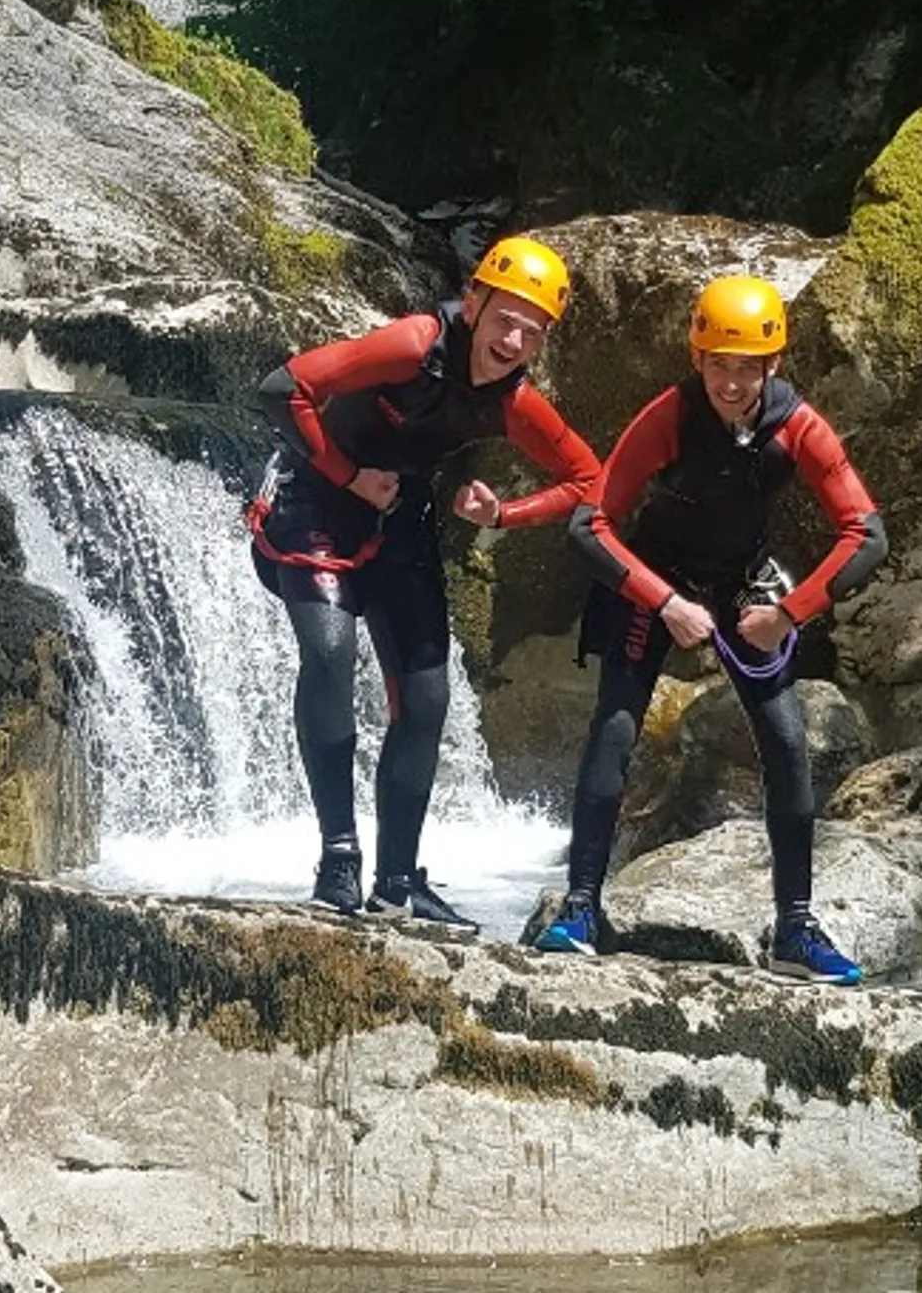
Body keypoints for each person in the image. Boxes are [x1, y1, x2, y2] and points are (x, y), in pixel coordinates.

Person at [535, 272, 887, 982]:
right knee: (616, 728)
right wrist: (663, 600)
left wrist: (788, 613)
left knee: (787, 740)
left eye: (747, 367)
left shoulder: (799, 426)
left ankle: (795, 927)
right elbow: (590, 523)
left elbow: (866, 532)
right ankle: (579, 908)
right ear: (698, 360)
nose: (731, 381)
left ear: (773, 364)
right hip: (655, 578)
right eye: (719, 364)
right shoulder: (668, 415)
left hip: (739, 585)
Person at [250, 236, 603, 933]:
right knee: (329, 655)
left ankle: (398, 882)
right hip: (316, 498)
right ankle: (339, 859)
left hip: (400, 518)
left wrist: (506, 511)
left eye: (532, 333)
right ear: (473, 301)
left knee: (428, 696)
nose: (513, 339)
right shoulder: (414, 343)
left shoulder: (514, 401)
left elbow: (590, 479)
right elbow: (284, 388)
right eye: (505, 318)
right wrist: (347, 474)